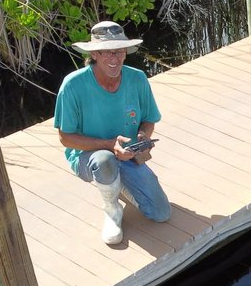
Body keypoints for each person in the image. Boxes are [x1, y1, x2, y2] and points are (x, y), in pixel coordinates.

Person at [54, 21, 171, 245]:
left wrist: (143, 137)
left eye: (119, 51)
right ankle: (112, 208)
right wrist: (109, 145)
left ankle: (118, 182)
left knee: (161, 213)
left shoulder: (137, 78)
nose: (114, 58)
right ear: (94, 54)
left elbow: (149, 119)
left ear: (126, 52)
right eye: (106, 52)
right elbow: (65, 138)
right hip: (89, 155)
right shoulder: (72, 86)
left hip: (128, 154)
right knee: (105, 160)